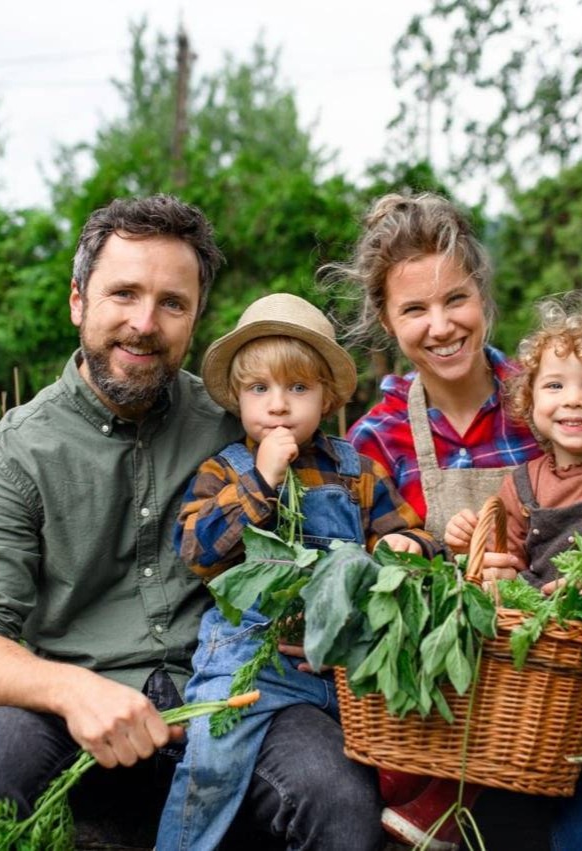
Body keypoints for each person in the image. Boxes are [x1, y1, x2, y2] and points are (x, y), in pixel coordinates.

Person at [0, 196, 383, 851]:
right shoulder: (19, 452)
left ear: (195, 320)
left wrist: (321, 620)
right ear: (78, 300)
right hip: (70, 716)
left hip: (232, 702)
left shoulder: (240, 428)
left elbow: (337, 524)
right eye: (123, 293)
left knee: (336, 792)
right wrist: (73, 690)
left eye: (172, 302)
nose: (144, 323)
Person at [334, 192, 582, 850]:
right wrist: (455, 569)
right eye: (414, 309)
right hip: (475, 721)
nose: (441, 325)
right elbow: (370, 584)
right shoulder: (379, 436)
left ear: (482, 294)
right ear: (388, 323)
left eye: (456, 298)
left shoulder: (556, 391)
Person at [157, 292, 438, 851]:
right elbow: (197, 551)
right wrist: (260, 483)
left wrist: (413, 546)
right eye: (260, 390)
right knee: (209, 766)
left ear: (329, 396)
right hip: (248, 667)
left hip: (338, 671)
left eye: (298, 389)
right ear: (237, 399)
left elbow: (408, 537)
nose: (278, 406)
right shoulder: (225, 470)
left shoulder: (357, 471)